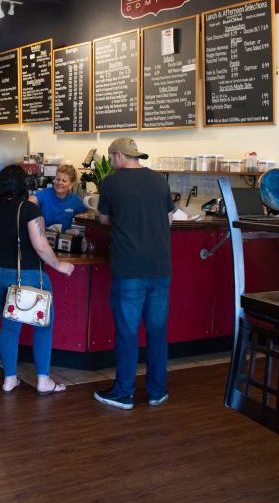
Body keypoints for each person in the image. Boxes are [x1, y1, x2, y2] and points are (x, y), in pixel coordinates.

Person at [93, 137, 174, 410]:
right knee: (157, 332)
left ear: (117, 157)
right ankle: (157, 392)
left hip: (129, 269)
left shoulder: (112, 182)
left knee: (128, 333)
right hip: (161, 268)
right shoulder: (160, 181)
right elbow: (169, 219)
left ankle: (124, 393)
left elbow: (103, 219)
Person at [0, 164, 74, 395]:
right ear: (23, 185)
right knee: (44, 326)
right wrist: (59, 265)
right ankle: (44, 380)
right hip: (24, 274)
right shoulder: (29, 210)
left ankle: (9, 379)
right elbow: (41, 245)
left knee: (9, 326)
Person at [29, 164, 87, 232]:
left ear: (71, 185)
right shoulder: (45, 193)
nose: (60, 183)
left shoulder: (75, 200)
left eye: (64, 181)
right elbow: (31, 201)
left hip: (64, 239)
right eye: (58, 179)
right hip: (44, 236)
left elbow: (86, 216)